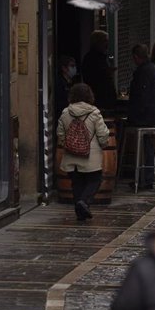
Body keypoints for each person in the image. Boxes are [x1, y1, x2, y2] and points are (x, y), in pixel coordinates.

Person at [57, 83, 110, 221]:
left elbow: (60, 134)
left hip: (71, 155)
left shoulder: (65, 113)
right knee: (95, 180)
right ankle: (84, 202)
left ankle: (80, 212)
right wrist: (104, 144)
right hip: (90, 156)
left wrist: (66, 144)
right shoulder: (94, 113)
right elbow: (102, 134)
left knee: (76, 182)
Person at [127, 44, 155, 190]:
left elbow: (143, 96)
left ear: (136, 57)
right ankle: (145, 177)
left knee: (146, 146)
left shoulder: (143, 71)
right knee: (147, 146)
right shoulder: (152, 68)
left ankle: (145, 178)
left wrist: (135, 114)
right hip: (151, 113)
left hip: (144, 116)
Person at [81, 30, 117, 110]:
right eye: (105, 41)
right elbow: (92, 78)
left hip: (105, 99)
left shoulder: (102, 57)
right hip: (99, 99)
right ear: (98, 42)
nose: (107, 44)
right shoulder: (91, 59)